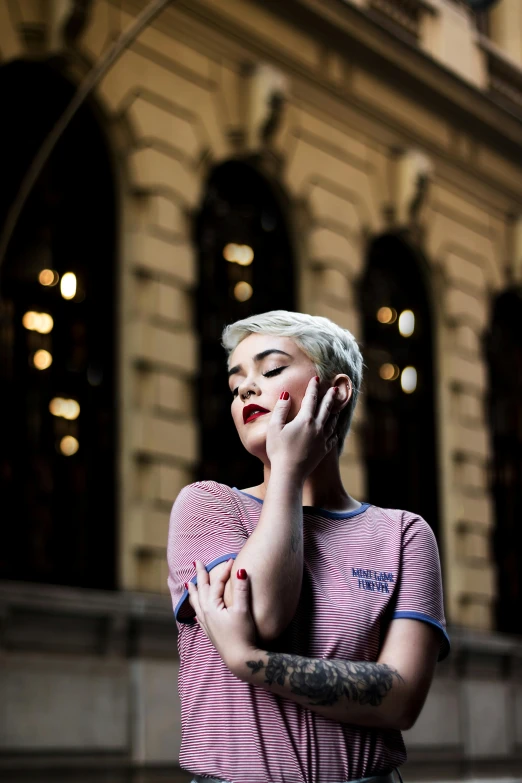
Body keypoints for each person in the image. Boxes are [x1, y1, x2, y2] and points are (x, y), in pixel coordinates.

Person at [167, 310, 449, 783]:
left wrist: (249, 662)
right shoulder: (205, 505)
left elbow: (400, 700)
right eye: (237, 384)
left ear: (335, 392)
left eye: (271, 369)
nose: (247, 390)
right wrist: (289, 474)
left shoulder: (404, 534)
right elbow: (264, 616)